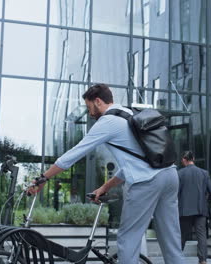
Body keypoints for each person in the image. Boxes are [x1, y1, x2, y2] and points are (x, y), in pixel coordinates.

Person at [28, 84, 184, 264]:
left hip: (146, 182)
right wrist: (104, 187)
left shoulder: (108, 122)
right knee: (171, 238)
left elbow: (74, 154)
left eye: (89, 107)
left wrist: (44, 177)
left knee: (128, 239)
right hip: (170, 175)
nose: (90, 113)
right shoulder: (129, 114)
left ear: (98, 101)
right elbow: (134, 164)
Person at [177, 151, 211, 264]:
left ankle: (176, 258)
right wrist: (206, 200)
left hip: (184, 210)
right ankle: (203, 260)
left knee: (182, 236)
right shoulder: (204, 173)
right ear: (193, 158)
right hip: (200, 210)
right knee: (201, 236)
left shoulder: (180, 173)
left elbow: (175, 193)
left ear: (184, 160)